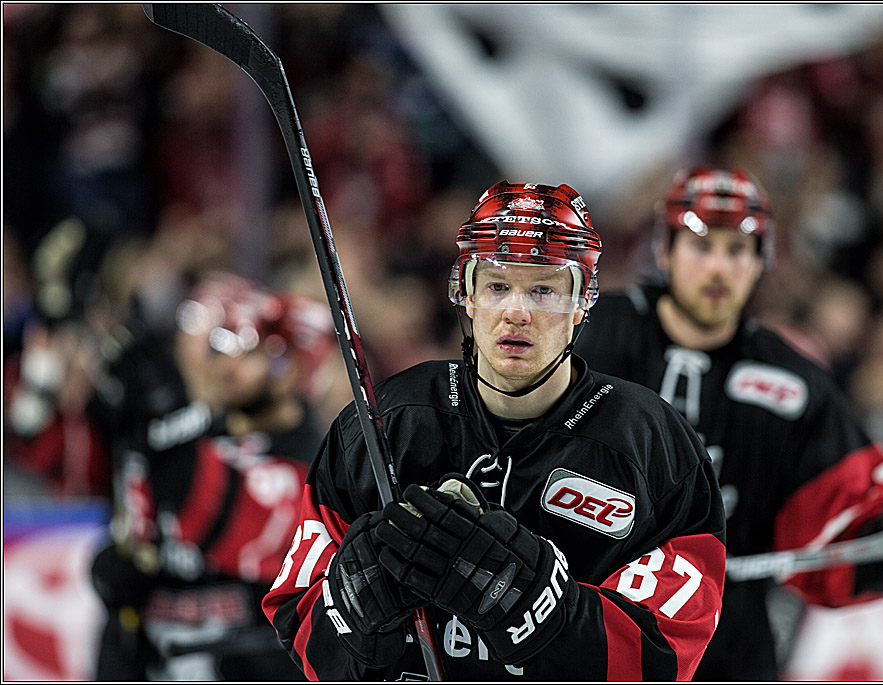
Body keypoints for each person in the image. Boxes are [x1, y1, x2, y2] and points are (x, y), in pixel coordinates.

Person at [262, 181, 728, 681]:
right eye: (497, 286)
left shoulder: (650, 441)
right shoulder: (386, 422)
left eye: (544, 289)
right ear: (465, 293)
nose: (516, 311)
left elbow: (662, 659)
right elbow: (303, 633)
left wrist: (532, 605)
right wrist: (353, 607)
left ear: (582, 302)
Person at [572, 166, 883, 680]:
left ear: (762, 262)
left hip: (725, 652)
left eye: (737, 250)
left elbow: (842, 531)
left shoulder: (794, 385)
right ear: (665, 251)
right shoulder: (586, 335)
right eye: (700, 245)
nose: (718, 267)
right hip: (579, 629)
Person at [87, 271, 337, 681]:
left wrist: (164, 415)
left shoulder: (320, 463)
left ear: (293, 368)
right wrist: (113, 567)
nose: (228, 364)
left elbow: (216, 515)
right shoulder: (193, 441)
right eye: (225, 346)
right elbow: (138, 532)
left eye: (252, 350)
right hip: (153, 663)